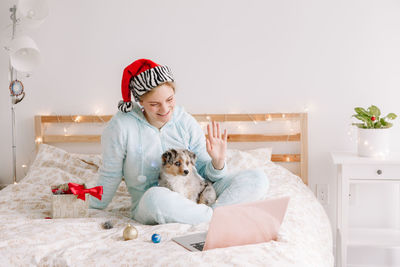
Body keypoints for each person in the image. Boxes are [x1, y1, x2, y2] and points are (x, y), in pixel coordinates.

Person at [89, 59, 269, 225]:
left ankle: (209, 216)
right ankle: (216, 217)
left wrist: (218, 162)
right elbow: (110, 175)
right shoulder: (121, 126)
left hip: (196, 194)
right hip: (152, 202)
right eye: (154, 104)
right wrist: (90, 206)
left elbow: (208, 176)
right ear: (141, 101)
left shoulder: (185, 121)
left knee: (257, 178)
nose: (165, 109)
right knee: (156, 198)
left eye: (169, 99)